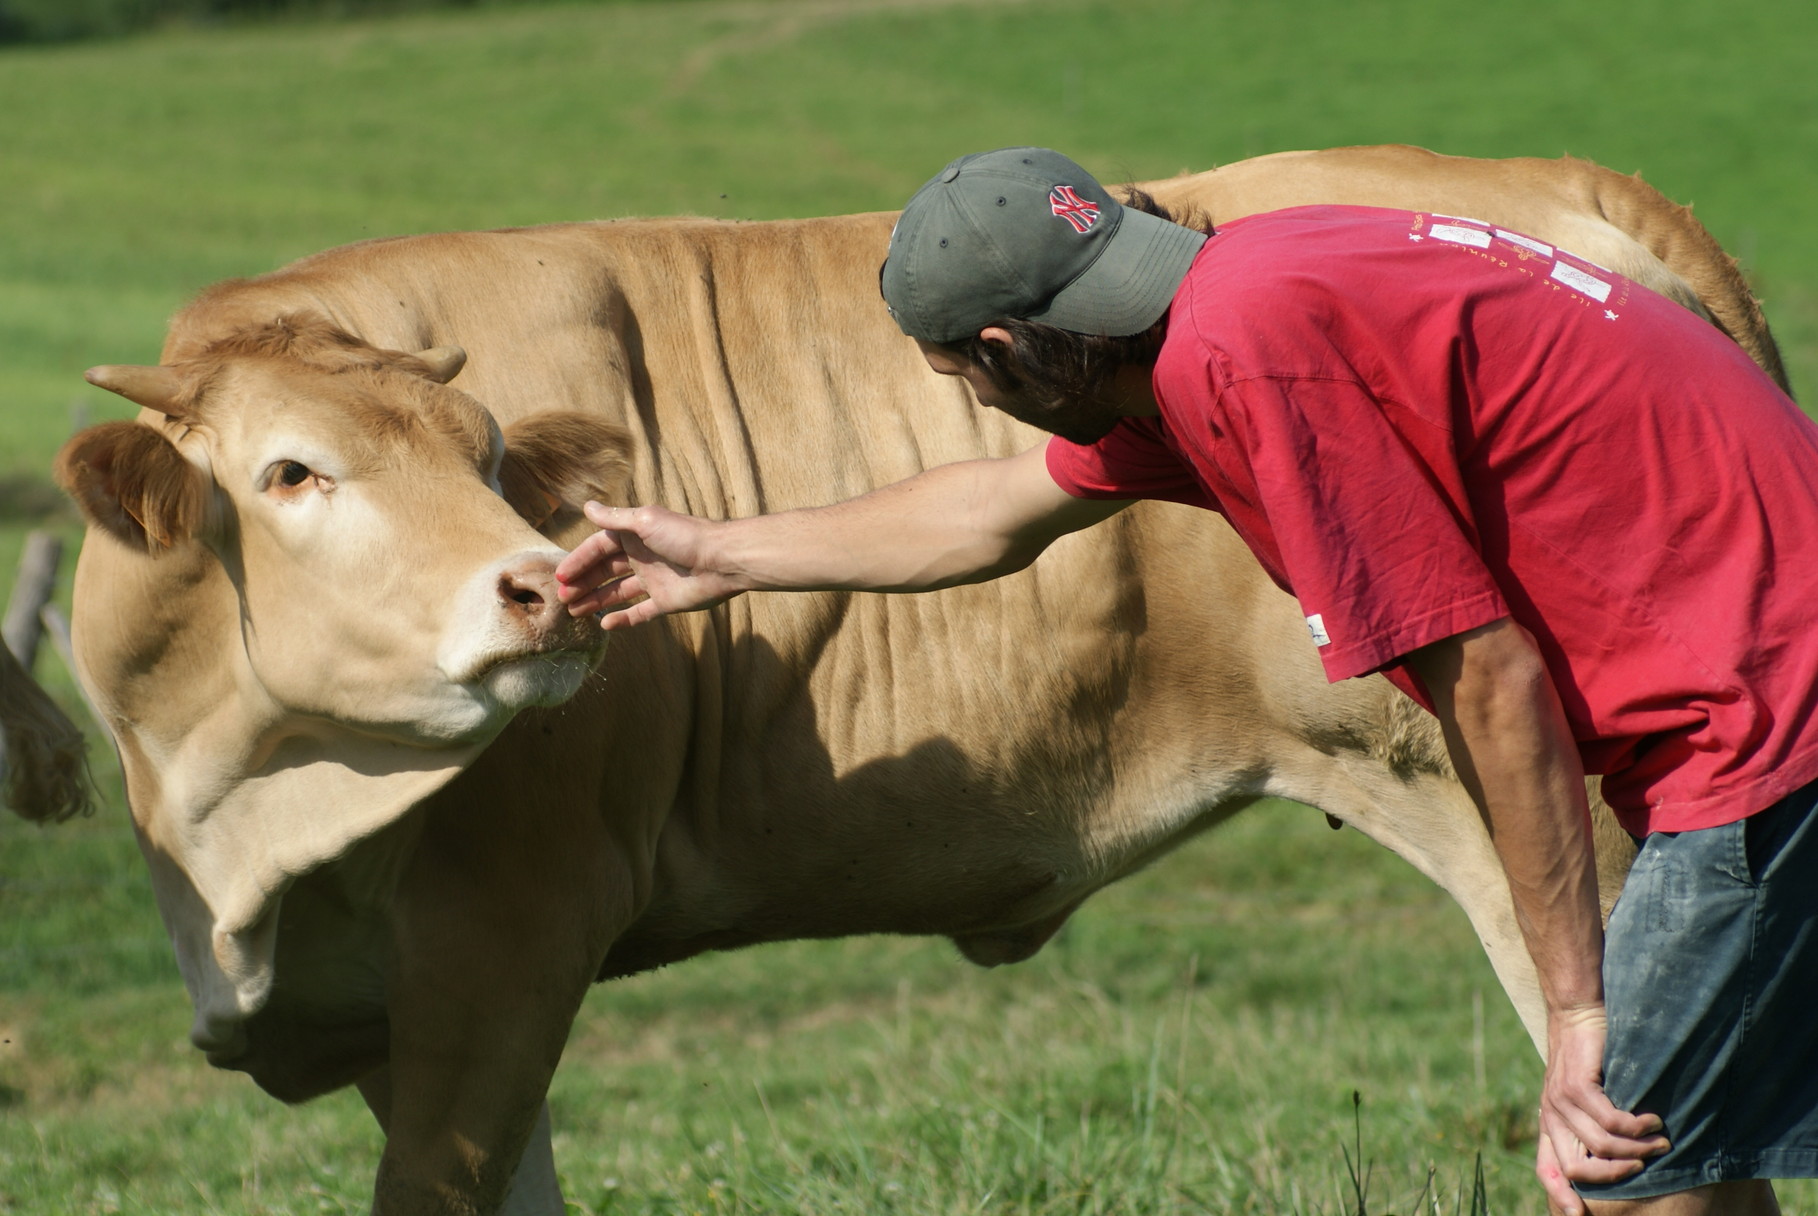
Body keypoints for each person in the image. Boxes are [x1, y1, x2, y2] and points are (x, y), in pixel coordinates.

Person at [555, 147, 1818, 1215]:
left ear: (1002, 349)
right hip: (1759, 649)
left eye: (966, 380)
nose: (987, 409)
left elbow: (1487, 676)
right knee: (1699, 1152)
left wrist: (1578, 1010)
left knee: (1623, 1157)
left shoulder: (1247, 366)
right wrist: (717, 554)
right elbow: (999, 513)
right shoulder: (1230, 294)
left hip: (1757, 707)